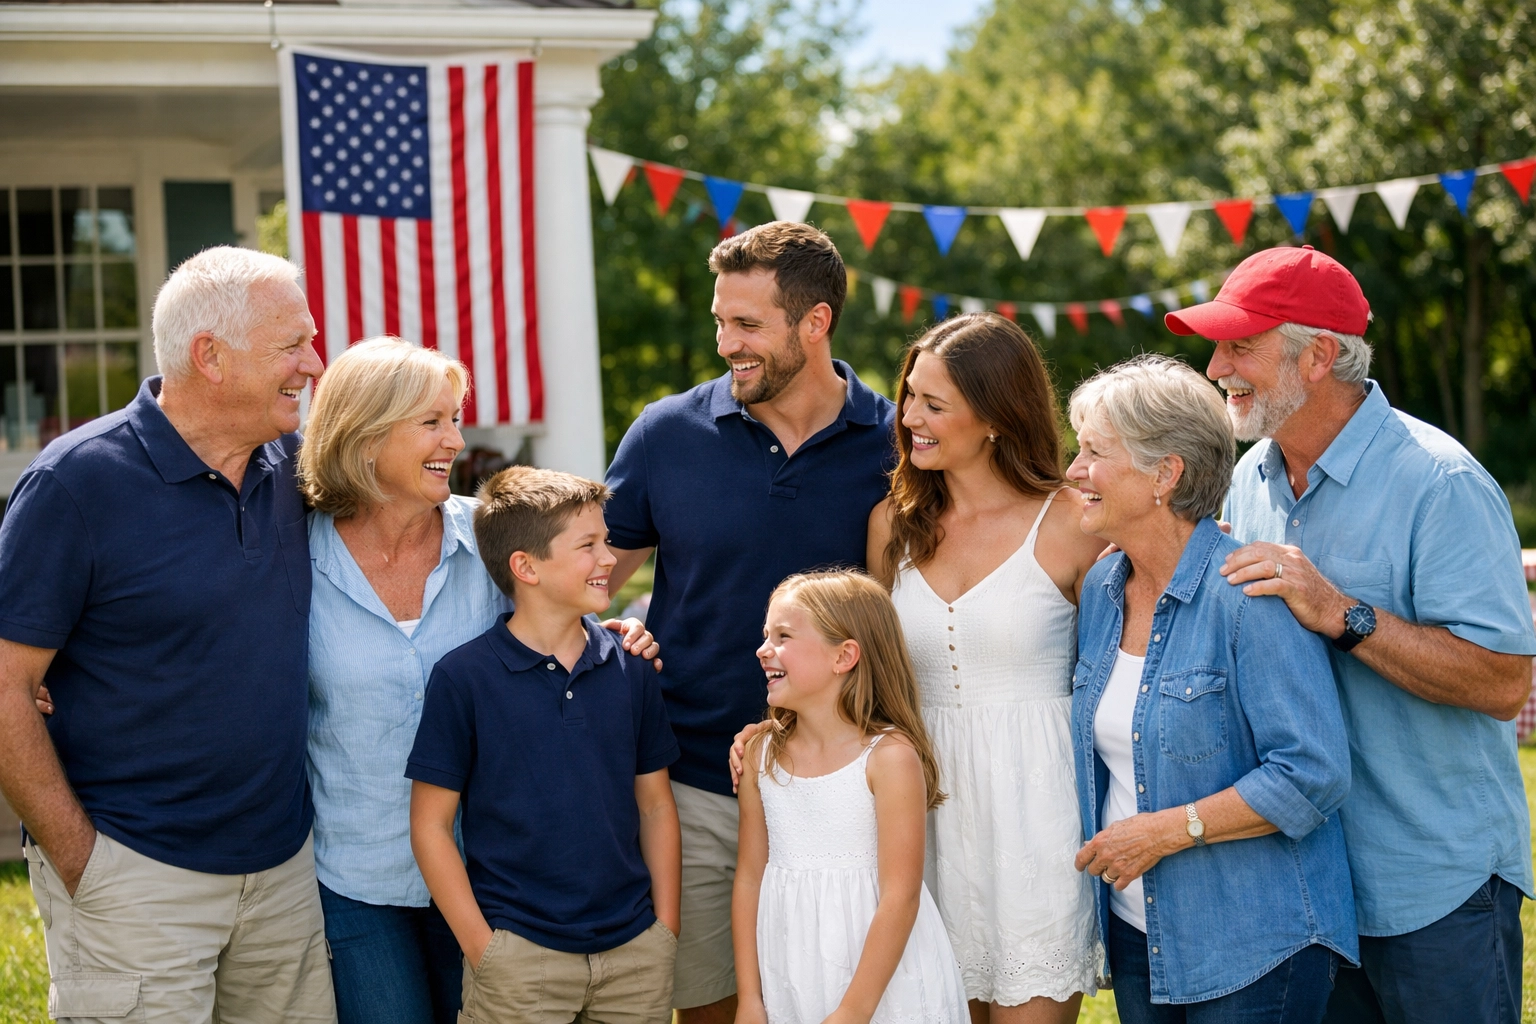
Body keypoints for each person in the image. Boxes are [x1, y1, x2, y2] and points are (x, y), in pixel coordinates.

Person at [1165, 245, 1536, 1024]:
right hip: (1309, 891)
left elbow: (1504, 684)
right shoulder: (1247, 480)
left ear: (1319, 357)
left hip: (1434, 888)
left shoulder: (1443, 483)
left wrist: (1343, 613)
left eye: (1239, 345)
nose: (1214, 366)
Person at [0, 246, 336, 1022]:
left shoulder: (295, 467)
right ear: (209, 356)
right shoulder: (76, 483)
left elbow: (413, 523)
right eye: (293, 345)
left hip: (283, 874)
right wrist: (87, 865)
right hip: (133, 873)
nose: (314, 364)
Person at [299, 338, 659, 1024]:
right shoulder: (296, 551)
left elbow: (555, 623)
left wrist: (615, 635)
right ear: (367, 434)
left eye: (454, 418)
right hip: (355, 876)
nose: (456, 440)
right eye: (432, 422)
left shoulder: (490, 539)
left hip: (494, 876)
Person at [603, 220, 897, 1023]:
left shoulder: (898, 441)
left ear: (816, 322)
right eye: (720, 322)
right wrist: (608, 632)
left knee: (835, 997)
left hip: (839, 787)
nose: (727, 343)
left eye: (747, 324)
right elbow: (584, 581)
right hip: (693, 782)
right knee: (713, 1007)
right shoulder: (666, 433)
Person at [1066, 355, 1357, 1022]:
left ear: (1165, 474)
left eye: (1093, 453)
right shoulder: (1101, 592)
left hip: (1256, 942)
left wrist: (1166, 832)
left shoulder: (1249, 597)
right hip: (1141, 938)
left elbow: (1312, 772)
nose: (1074, 471)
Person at [868, 313, 1107, 1024]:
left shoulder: (1073, 521)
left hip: (1039, 813)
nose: (909, 417)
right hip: (925, 810)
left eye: (933, 404)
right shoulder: (892, 524)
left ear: (997, 416)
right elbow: (870, 678)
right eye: (909, 396)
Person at [408, 466, 682, 1024]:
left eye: (606, 541)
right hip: (518, 962)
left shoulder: (630, 669)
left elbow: (655, 805)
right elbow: (431, 826)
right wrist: (485, 952)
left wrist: (665, 931)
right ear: (525, 566)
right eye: (588, 545)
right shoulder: (465, 679)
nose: (609, 558)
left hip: (635, 956)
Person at [734, 571, 968, 1024]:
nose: (763, 650)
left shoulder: (890, 759)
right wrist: (750, 998)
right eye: (766, 635)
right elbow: (749, 879)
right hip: (791, 975)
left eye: (783, 636)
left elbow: (900, 897)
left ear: (844, 656)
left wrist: (853, 1011)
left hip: (881, 988)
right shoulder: (759, 757)